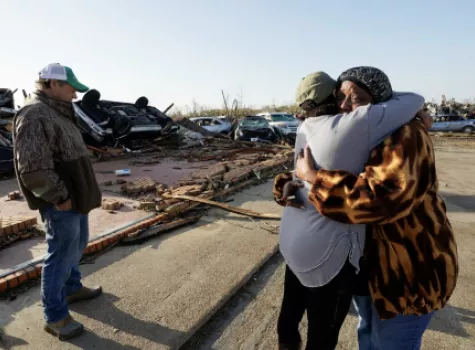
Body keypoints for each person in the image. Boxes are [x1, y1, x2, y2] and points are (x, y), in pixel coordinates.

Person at [294, 66, 458, 350]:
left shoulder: (407, 134)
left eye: (356, 99)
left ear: (380, 102)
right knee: (368, 337)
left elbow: (379, 200)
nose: (344, 107)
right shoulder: (357, 130)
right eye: (340, 97)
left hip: (407, 274)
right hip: (370, 273)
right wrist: (289, 183)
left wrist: (313, 179)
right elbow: (331, 164)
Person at [13, 63, 103, 340]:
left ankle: (72, 288)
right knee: (60, 256)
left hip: (77, 198)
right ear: (52, 84)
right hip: (63, 201)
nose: (75, 95)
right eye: (71, 89)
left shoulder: (58, 111)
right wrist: (59, 197)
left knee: (76, 246)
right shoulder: (35, 114)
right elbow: (33, 168)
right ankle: (55, 317)